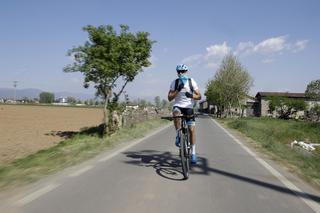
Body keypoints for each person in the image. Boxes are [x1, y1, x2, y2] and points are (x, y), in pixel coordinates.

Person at [168, 64, 201, 164]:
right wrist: (177, 90)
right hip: (178, 105)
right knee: (175, 112)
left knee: (191, 129)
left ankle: (193, 153)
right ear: (177, 73)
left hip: (188, 107)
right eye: (179, 72)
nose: (181, 73)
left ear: (186, 72)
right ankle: (178, 134)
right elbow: (169, 98)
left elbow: (199, 96)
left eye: (183, 71)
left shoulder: (191, 81)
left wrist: (191, 95)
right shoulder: (175, 82)